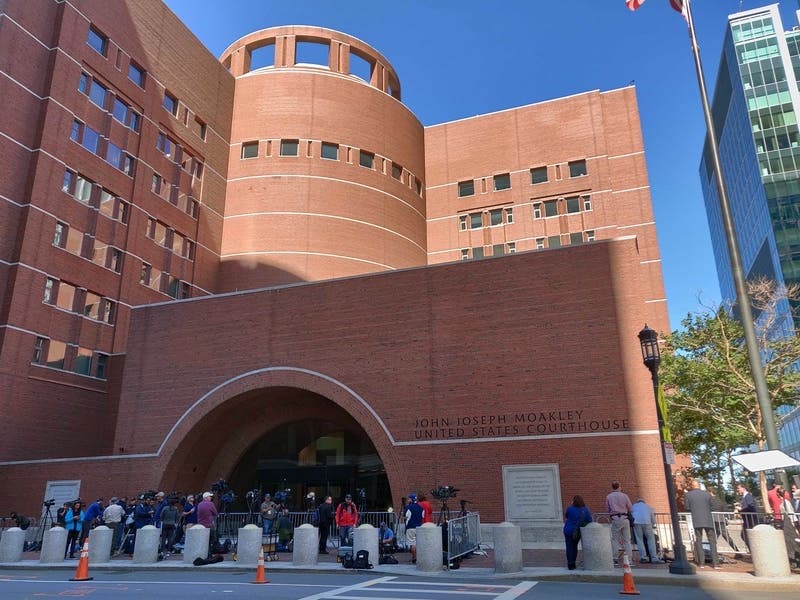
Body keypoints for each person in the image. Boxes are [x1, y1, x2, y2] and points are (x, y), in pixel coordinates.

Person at [684, 481, 718, 568]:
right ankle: (716, 563)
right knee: (712, 541)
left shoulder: (688, 495)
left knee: (698, 541)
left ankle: (701, 563)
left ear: (692, 486)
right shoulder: (707, 494)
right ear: (699, 486)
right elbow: (713, 506)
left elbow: (687, 507)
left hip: (696, 519)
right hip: (708, 519)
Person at [605, 480, 633, 566]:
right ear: (619, 487)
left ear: (612, 487)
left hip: (615, 519)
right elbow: (630, 507)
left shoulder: (609, 497)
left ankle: (615, 558)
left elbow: (607, 509)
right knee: (627, 540)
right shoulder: (624, 496)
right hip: (625, 518)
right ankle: (629, 560)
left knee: (614, 540)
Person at [563, 495, 592, 570]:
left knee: (569, 547)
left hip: (567, 530)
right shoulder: (585, 510)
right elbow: (590, 520)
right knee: (574, 546)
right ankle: (573, 563)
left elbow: (566, 516)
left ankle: (570, 564)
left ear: (574, 501)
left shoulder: (570, 508)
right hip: (577, 531)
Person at [630, 498, 662, 564]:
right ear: (644, 502)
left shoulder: (634, 506)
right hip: (647, 523)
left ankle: (643, 557)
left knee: (639, 540)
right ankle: (654, 558)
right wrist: (653, 524)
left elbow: (631, 514)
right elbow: (653, 518)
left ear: (637, 502)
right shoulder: (648, 506)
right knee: (651, 539)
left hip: (637, 523)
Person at [708, 488, 739, 553]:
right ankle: (736, 550)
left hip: (714, 519)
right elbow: (724, 508)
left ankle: (711, 551)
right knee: (720, 536)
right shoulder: (719, 500)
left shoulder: (710, 500)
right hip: (721, 519)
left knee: (715, 536)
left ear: (710, 492)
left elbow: (710, 508)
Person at [736, 482, 758, 552]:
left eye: (738, 488)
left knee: (746, 536)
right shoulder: (745, 497)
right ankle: (753, 550)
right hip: (747, 520)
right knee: (745, 536)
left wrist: (741, 509)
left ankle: (754, 551)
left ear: (743, 488)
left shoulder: (748, 496)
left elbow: (751, 507)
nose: (738, 490)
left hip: (750, 520)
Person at [404, 492, 423, 564]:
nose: (408, 500)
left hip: (411, 527)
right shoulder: (420, 507)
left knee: (412, 543)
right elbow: (423, 516)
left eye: (409, 498)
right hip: (419, 527)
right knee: (418, 543)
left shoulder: (408, 507)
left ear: (411, 499)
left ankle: (415, 558)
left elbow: (406, 517)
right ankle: (416, 557)